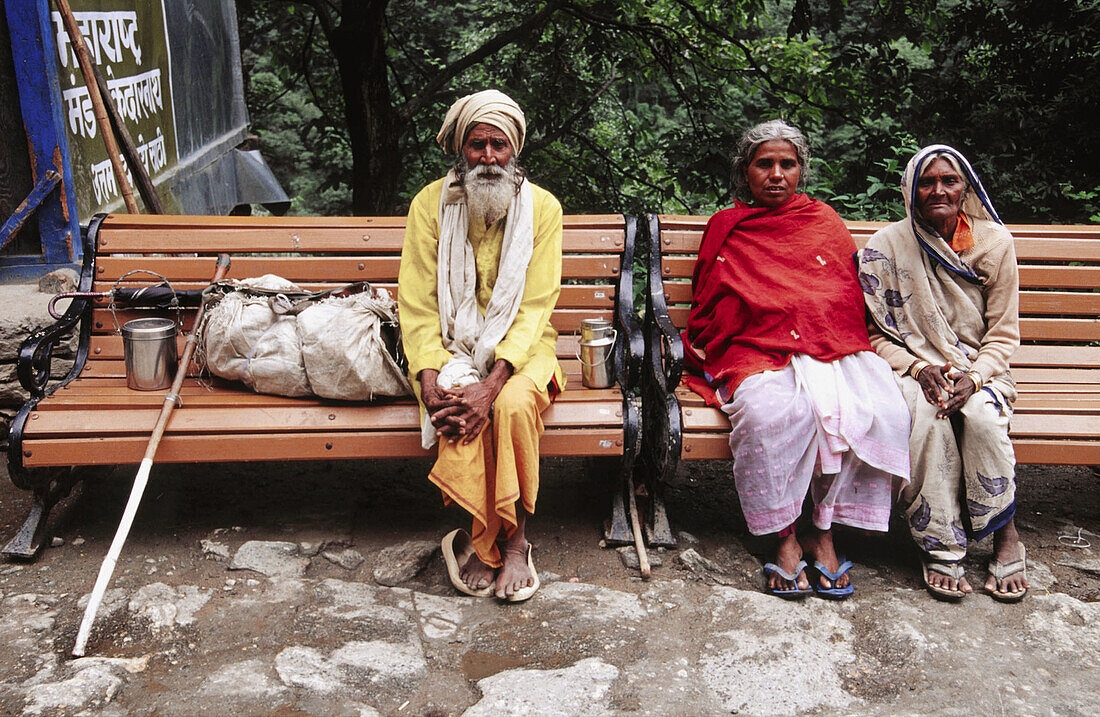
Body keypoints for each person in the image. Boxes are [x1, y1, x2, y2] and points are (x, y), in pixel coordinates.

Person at [682, 119, 910, 600]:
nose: (776, 173)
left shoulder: (823, 221)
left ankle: (823, 530)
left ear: (801, 170)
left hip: (830, 345)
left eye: (787, 163)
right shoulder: (727, 226)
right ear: (746, 172)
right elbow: (711, 305)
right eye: (764, 164)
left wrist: (805, 324)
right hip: (753, 348)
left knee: (878, 409)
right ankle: (782, 534)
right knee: (773, 412)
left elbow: (844, 297)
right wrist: (772, 317)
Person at [398, 90, 563, 602]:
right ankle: (478, 534)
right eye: (477, 145)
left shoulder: (543, 208)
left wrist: (492, 384)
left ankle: (513, 542)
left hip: (525, 346)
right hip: (447, 345)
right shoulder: (430, 204)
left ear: (515, 150)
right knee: (453, 393)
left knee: (511, 405)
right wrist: (428, 378)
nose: (488, 158)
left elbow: (536, 306)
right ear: (459, 150)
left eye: (499, 145)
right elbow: (419, 303)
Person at [858, 145, 1029, 602]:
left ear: (965, 188)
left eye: (949, 181)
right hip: (914, 369)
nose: (938, 190)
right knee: (925, 418)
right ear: (910, 190)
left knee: (983, 417)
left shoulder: (995, 243)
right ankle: (941, 543)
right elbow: (875, 336)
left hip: (980, 369)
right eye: (926, 181)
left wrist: (975, 378)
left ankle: (1005, 534)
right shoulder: (887, 245)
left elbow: (1004, 335)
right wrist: (918, 367)